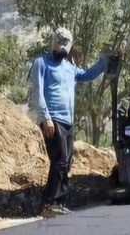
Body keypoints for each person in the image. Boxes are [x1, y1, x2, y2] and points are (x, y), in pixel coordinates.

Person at [30, 26, 109, 214]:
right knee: (59, 160)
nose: (62, 47)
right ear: (53, 43)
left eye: (66, 44)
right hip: (53, 119)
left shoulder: (69, 68)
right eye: (59, 43)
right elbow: (37, 91)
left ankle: (57, 203)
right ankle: (49, 203)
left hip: (68, 121)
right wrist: (45, 117)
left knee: (66, 161)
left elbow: (88, 75)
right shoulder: (41, 63)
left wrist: (103, 61)